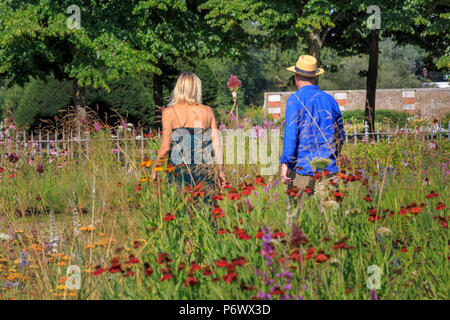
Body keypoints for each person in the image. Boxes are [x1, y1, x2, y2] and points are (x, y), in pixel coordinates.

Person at [280, 55, 345, 230]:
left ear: (296, 77)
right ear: (316, 76)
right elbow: (341, 134)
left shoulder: (294, 99)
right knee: (331, 219)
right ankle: (334, 252)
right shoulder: (330, 100)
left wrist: (286, 162)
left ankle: (292, 253)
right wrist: (333, 155)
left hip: (302, 167)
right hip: (327, 167)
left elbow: (291, 135)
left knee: (295, 215)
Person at [151, 72, 227, 199]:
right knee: (205, 208)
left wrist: (155, 168)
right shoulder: (208, 111)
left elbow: (165, 148)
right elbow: (217, 146)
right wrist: (220, 171)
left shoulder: (169, 112)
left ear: (179, 88)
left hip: (179, 169)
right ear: (197, 89)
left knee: (181, 207)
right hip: (204, 169)